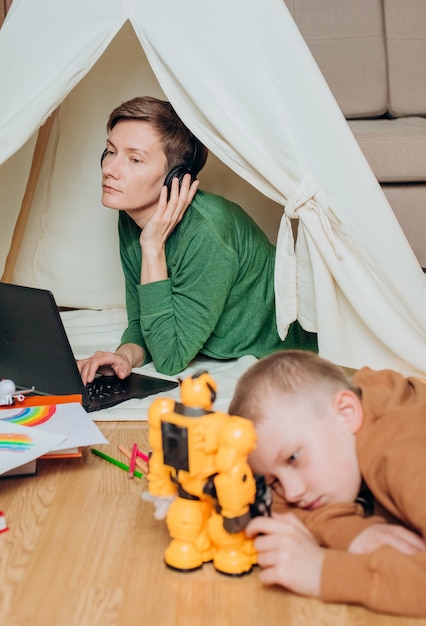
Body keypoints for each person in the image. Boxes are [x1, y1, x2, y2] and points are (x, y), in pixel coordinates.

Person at [78, 96, 317, 382]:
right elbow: (144, 320)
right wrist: (125, 355)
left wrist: (152, 247)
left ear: (175, 178)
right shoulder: (132, 213)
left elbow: (169, 358)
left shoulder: (207, 232)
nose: (110, 169)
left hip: (300, 349)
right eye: (110, 152)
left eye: (135, 159)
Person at [228, 349, 426, 617]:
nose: (293, 492)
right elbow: (274, 506)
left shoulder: (406, 451)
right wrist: (351, 532)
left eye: (293, 458)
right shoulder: (338, 421)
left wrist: (323, 571)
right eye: (274, 480)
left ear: (346, 412)